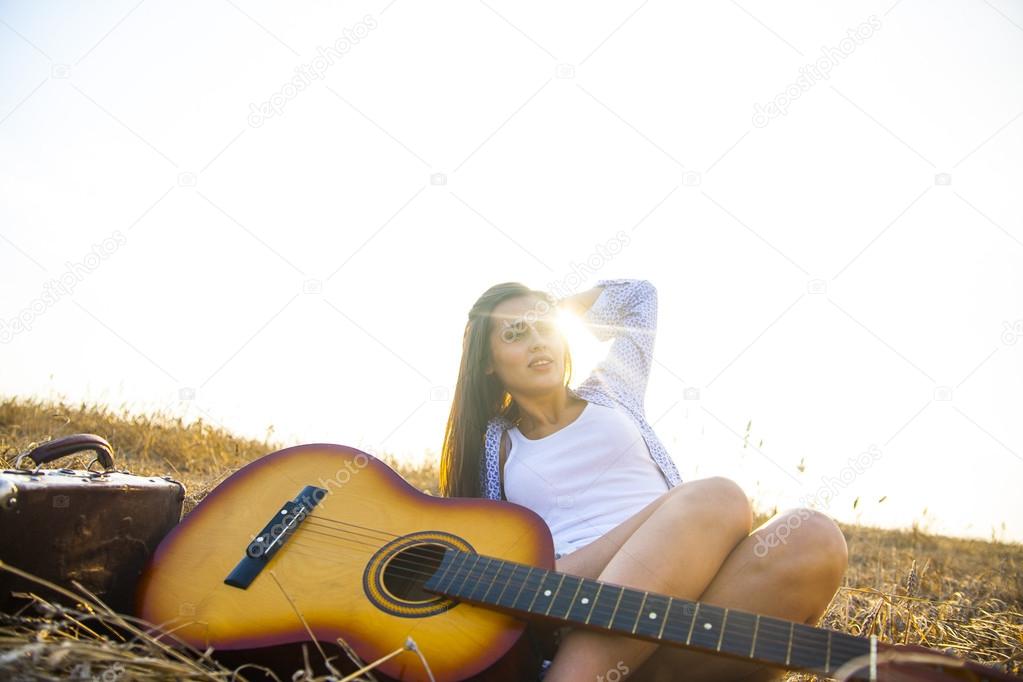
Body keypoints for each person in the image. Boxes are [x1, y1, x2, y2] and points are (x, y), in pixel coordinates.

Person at [438, 278, 848, 681]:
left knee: (815, 536)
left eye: (544, 329)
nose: (537, 342)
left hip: (689, 595)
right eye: (515, 333)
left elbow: (639, 299)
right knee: (718, 498)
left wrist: (555, 308)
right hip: (574, 600)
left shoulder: (614, 389)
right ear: (487, 362)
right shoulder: (496, 443)